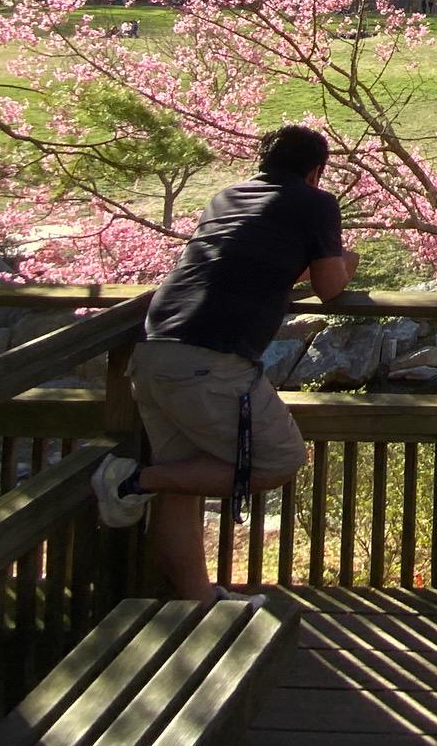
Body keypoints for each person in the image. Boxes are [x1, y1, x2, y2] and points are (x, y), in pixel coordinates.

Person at [90, 126, 355, 603]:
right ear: (317, 171)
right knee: (279, 461)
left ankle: (197, 601)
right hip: (210, 357)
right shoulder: (316, 202)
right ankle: (133, 479)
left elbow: (251, 257)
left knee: (180, 476)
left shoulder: (227, 197)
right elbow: (330, 287)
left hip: (153, 348)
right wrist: (346, 263)